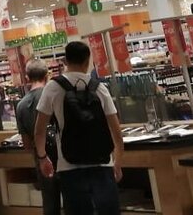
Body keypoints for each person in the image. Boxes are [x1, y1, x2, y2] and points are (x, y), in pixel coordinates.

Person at [34, 41, 124, 215]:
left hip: (69, 167)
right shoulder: (100, 88)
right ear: (87, 61)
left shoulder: (53, 87)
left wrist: (43, 158)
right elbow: (116, 132)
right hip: (102, 165)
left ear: (66, 61)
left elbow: (39, 131)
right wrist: (118, 163)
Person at [14, 60, 60, 215]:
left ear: (27, 78)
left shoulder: (21, 105)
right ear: (47, 75)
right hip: (64, 156)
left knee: (50, 202)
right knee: (72, 200)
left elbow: (27, 144)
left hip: (42, 159)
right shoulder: (55, 95)